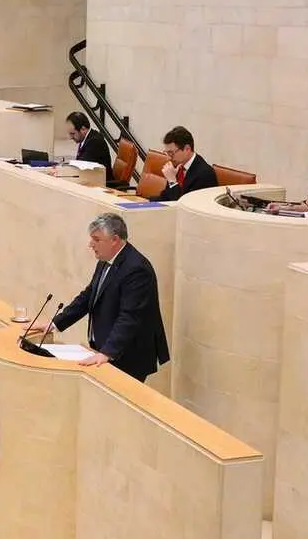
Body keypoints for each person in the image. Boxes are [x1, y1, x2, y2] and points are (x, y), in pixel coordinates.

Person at [42, 213, 169, 382]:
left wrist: (107, 352)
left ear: (114, 240)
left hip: (128, 356)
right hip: (107, 349)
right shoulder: (105, 260)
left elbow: (130, 317)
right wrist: (55, 323)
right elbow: (88, 296)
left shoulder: (137, 269)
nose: (90, 244)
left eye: (96, 239)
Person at [150, 126, 217, 202]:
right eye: (167, 153)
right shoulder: (179, 165)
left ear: (187, 149)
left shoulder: (205, 174)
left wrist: (172, 181)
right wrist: (146, 202)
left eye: (171, 153)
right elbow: (166, 197)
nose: (168, 157)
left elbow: (182, 204)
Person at [66, 111, 112, 181]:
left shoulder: (95, 142)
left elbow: (81, 166)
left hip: (101, 183)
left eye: (73, 134)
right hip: (90, 178)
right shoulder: (86, 138)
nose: (70, 137)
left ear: (83, 129)